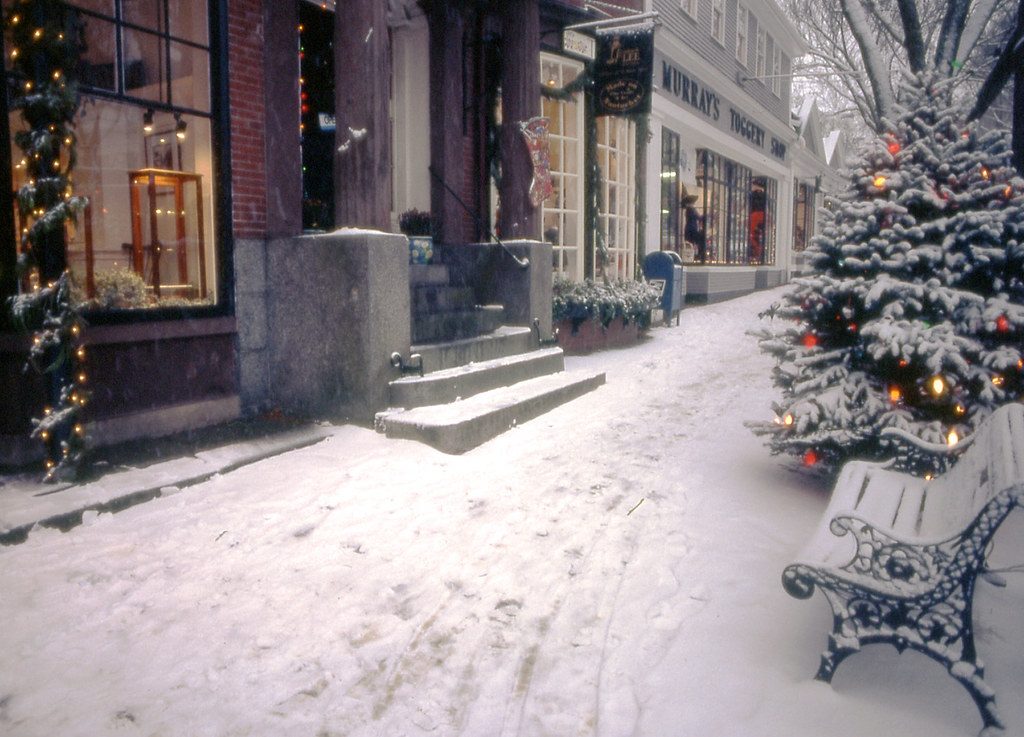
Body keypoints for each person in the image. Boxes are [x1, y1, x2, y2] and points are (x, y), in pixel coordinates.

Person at [682, 191, 706, 263]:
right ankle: (697, 256)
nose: (693, 203)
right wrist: (704, 216)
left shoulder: (690, 209)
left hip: (690, 229)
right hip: (691, 229)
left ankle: (693, 257)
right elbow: (697, 217)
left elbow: (698, 217)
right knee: (697, 241)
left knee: (691, 244)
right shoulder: (690, 209)